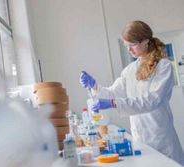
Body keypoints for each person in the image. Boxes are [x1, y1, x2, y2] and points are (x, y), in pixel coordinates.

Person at [79, 20, 184, 165]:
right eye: (126, 46)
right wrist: (95, 86)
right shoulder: (130, 70)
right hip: (140, 138)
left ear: (146, 41)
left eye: (132, 45)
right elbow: (112, 93)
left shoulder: (163, 66)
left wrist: (114, 103)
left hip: (161, 137)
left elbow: (152, 100)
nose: (129, 50)